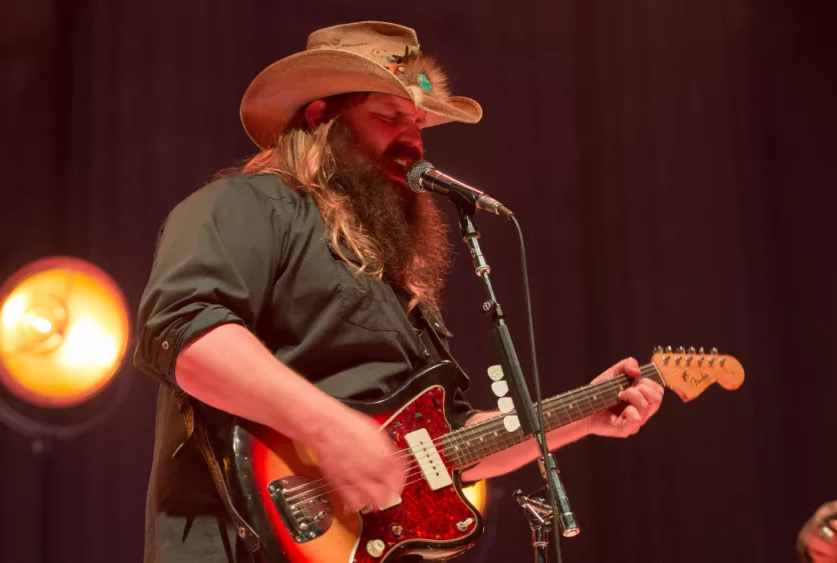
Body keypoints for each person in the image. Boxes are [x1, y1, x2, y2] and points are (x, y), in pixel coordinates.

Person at [133, 21, 664, 563]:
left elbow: (446, 446)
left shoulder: (391, 275)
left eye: (418, 123)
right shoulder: (248, 204)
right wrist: (331, 429)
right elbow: (181, 332)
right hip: (240, 544)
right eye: (388, 118)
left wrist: (581, 417)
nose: (413, 140)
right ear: (321, 119)